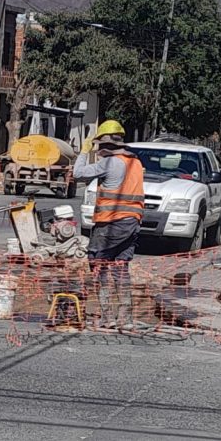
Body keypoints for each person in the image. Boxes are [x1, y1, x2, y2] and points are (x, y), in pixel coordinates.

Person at [72, 120, 144, 329]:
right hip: (132, 222)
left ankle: (107, 317)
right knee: (121, 267)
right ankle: (125, 318)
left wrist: (84, 151)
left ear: (104, 144)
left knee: (99, 264)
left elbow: (78, 173)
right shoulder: (135, 162)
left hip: (111, 222)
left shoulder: (110, 162)